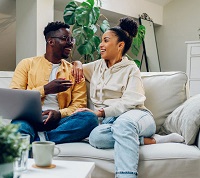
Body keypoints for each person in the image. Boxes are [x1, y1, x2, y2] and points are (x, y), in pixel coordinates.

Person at [73, 17, 184, 178]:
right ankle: (154, 140)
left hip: (136, 116)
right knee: (96, 137)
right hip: (111, 123)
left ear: (120, 45)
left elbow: (131, 102)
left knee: (124, 124)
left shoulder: (131, 69)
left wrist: (100, 112)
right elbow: (77, 68)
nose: (100, 45)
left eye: (105, 40)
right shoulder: (97, 66)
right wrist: (76, 62)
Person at [10, 21, 98, 144]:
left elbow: (79, 105)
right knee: (18, 127)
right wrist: (45, 89)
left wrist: (59, 114)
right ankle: (43, 141)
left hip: (60, 121)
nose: (71, 43)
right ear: (50, 41)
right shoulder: (27, 64)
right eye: (65, 39)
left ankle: (41, 140)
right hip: (30, 118)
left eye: (71, 39)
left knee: (90, 119)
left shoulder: (74, 71)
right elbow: (15, 97)